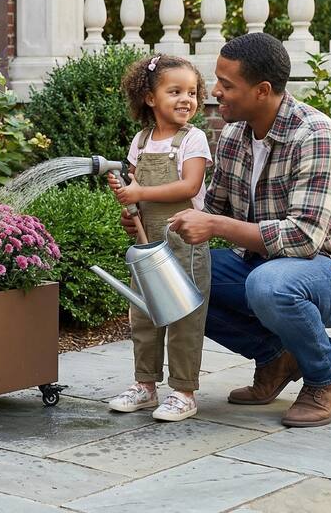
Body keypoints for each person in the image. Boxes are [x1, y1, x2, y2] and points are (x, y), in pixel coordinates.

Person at [162, 33, 331, 428]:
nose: (214, 92)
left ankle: (327, 376)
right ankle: (276, 357)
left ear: (262, 90)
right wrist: (153, 216)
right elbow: (211, 210)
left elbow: (302, 238)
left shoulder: (316, 137)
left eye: (227, 85)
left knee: (270, 285)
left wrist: (215, 225)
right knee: (175, 279)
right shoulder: (234, 136)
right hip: (265, 264)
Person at [107, 53, 213, 422]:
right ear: (150, 98)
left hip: (185, 244)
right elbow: (135, 188)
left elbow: (189, 185)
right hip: (147, 242)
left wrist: (139, 194)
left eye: (192, 92)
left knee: (185, 318)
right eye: (175, 91)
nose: (187, 99)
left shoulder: (193, 139)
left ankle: (184, 391)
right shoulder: (141, 139)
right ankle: (146, 386)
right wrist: (128, 206)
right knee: (144, 314)